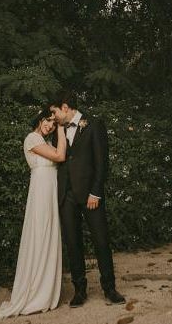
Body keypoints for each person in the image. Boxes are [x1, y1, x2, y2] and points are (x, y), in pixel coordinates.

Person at [49, 93, 125, 307]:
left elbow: (102, 163)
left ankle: (109, 288)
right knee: (73, 243)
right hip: (67, 195)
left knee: (101, 241)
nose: (54, 117)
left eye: (55, 112)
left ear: (65, 107)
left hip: (90, 195)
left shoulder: (94, 125)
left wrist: (96, 192)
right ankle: (79, 290)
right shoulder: (58, 131)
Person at [0, 113, 67, 318]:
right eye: (48, 121)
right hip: (40, 191)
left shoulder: (47, 143)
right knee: (39, 233)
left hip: (50, 191)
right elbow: (60, 157)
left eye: (53, 122)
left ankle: (45, 290)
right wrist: (61, 127)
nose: (49, 125)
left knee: (49, 234)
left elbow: (59, 155)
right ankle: (34, 292)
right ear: (39, 120)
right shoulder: (31, 139)